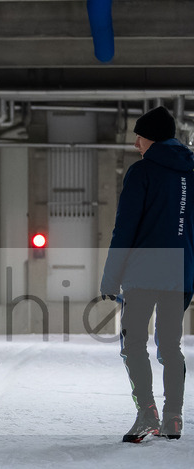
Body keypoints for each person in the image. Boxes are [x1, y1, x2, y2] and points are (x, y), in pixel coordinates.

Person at [100, 106, 193, 442]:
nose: (135, 143)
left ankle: (147, 414)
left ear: (149, 136)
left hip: (143, 275)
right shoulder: (191, 172)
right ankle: (174, 418)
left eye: (138, 136)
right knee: (171, 346)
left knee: (133, 343)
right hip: (180, 273)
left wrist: (111, 277)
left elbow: (124, 228)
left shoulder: (141, 173)